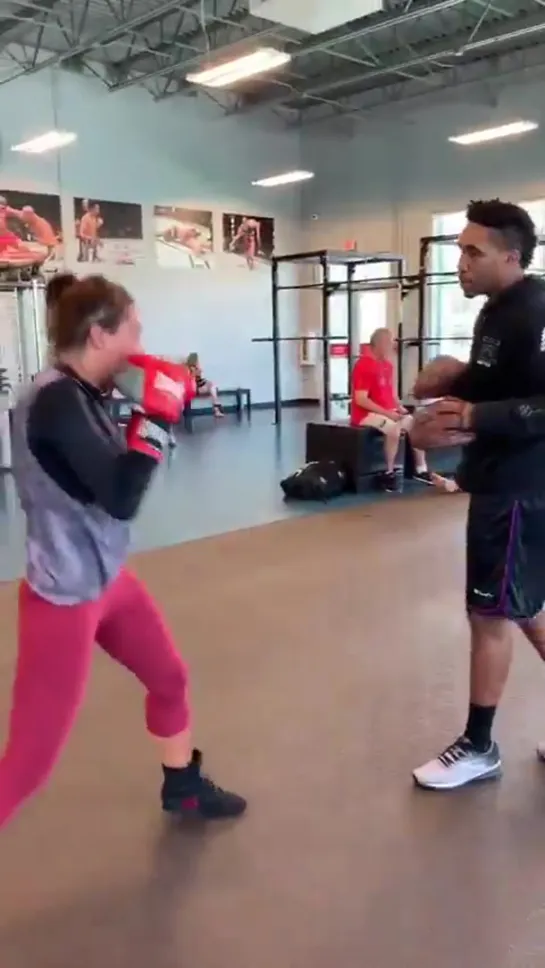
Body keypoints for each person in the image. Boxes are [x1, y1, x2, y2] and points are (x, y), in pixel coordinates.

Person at [0, 273, 246, 829]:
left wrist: (147, 401)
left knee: (170, 678)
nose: (140, 344)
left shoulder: (84, 390)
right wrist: (157, 417)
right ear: (98, 335)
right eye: (132, 330)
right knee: (27, 764)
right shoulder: (56, 401)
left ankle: (182, 786)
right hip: (64, 597)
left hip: (108, 579)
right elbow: (120, 496)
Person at [410, 198, 545, 790]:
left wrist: (475, 411)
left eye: (473, 251)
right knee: (524, 608)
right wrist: (453, 378)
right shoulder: (496, 311)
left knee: (488, 614)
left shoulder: (535, 313)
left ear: (510, 257)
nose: (460, 262)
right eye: (459, 249)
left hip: (518, 489)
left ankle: (479, 746)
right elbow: (496, 380)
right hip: (500, 481)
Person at [350, 328, 433, 491]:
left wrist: (399, 408)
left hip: (388, 411)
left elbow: (391, 393)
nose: (393, 347)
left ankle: (421, 469)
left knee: (416, 426)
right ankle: (389, 473)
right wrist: (387, 413)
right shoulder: (364, 365)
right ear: (380, 344)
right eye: (390, 343)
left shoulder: (387, 365)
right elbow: (361, 399)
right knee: (393, 429)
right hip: (365, 415)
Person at [186, 352, 223, 418]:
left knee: (212, 386)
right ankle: (216, 408)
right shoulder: (190, 369)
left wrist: (199, 371)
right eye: (197, 360)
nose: (198, 361)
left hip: (200, 385)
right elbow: (192, 380)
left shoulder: (197, 368)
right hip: (195, 387)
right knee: (212, 387)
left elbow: (200, 379)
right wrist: (196, 371)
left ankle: (216, 408)